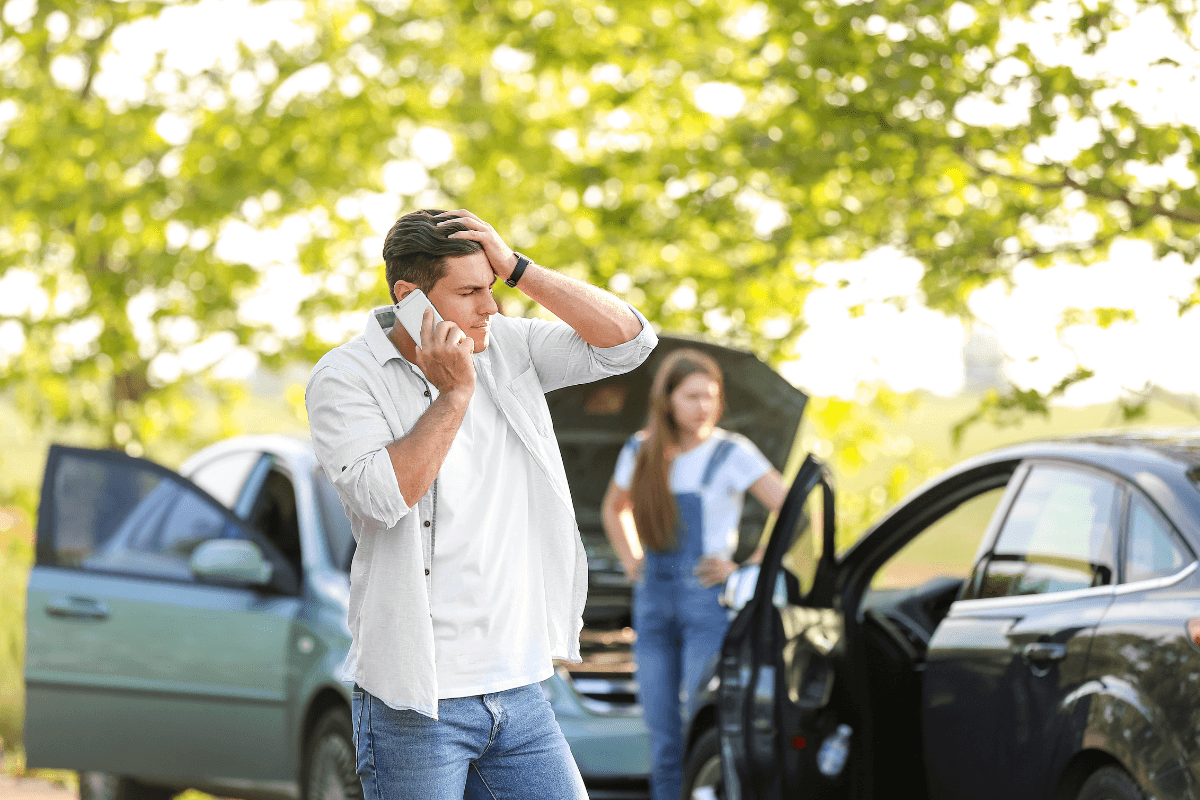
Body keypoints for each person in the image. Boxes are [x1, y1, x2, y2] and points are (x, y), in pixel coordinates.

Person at [305, 208, 657, 800]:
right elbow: (385, 496)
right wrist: (455, 393)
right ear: (409, 296)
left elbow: (629, 344)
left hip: (520, 689)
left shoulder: (508, 345)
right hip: (416, 702)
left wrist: (521, 270)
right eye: (470, 292)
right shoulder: (345, 377)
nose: (489, 307)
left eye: (491, 288)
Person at [601, 348, 787, 800]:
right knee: (662, 730)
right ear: (668, 400)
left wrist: (748, 565)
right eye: (692, 397)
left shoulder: (732, 452)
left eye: (710, 396)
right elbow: (614, 507)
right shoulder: (642, 450)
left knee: (701, 722)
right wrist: (632, 560)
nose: (703, 406)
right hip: (653, 605)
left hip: (709, 605)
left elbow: (791, 510)